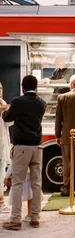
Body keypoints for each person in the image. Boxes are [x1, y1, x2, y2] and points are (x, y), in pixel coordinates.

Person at [2, 75, 46, 230]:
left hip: (22, 147)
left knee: (17, 183)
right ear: (36, 87)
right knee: (36, 183)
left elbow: (8, 117)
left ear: (23, 87)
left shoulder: (17, 101)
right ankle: (35, 218)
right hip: (37, 147)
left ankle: (15, 219)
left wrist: (4, 111)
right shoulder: (42, 103)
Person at [0, 81, 11, 214]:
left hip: (2, 142)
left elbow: (9, 123)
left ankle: (1, 201)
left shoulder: (3, 102)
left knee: (2, 172)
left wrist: (7, 112)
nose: (0, 91)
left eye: (1, 88)